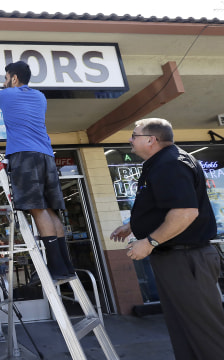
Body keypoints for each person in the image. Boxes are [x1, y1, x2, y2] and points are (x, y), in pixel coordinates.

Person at [110, 118, 224, 360]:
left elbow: (185, 212)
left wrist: (150, 242)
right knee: (184, 328)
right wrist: (133, 225)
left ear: (151, 140)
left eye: (134, 135)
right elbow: (166, 206)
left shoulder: (170, 164)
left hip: (186, 259)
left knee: (205, 332)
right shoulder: (161, 163)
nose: (130, 140)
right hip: (176, 258)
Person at [0, 60, 74, 279]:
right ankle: (65, 266)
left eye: (6, 76)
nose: (4, 81)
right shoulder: (40, 97)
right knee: (51, 210)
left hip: (24, 155)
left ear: (14, 78)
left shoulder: (4, 95)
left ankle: (56, 268)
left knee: (38, 209)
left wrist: (6, 85)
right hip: (46, 155)